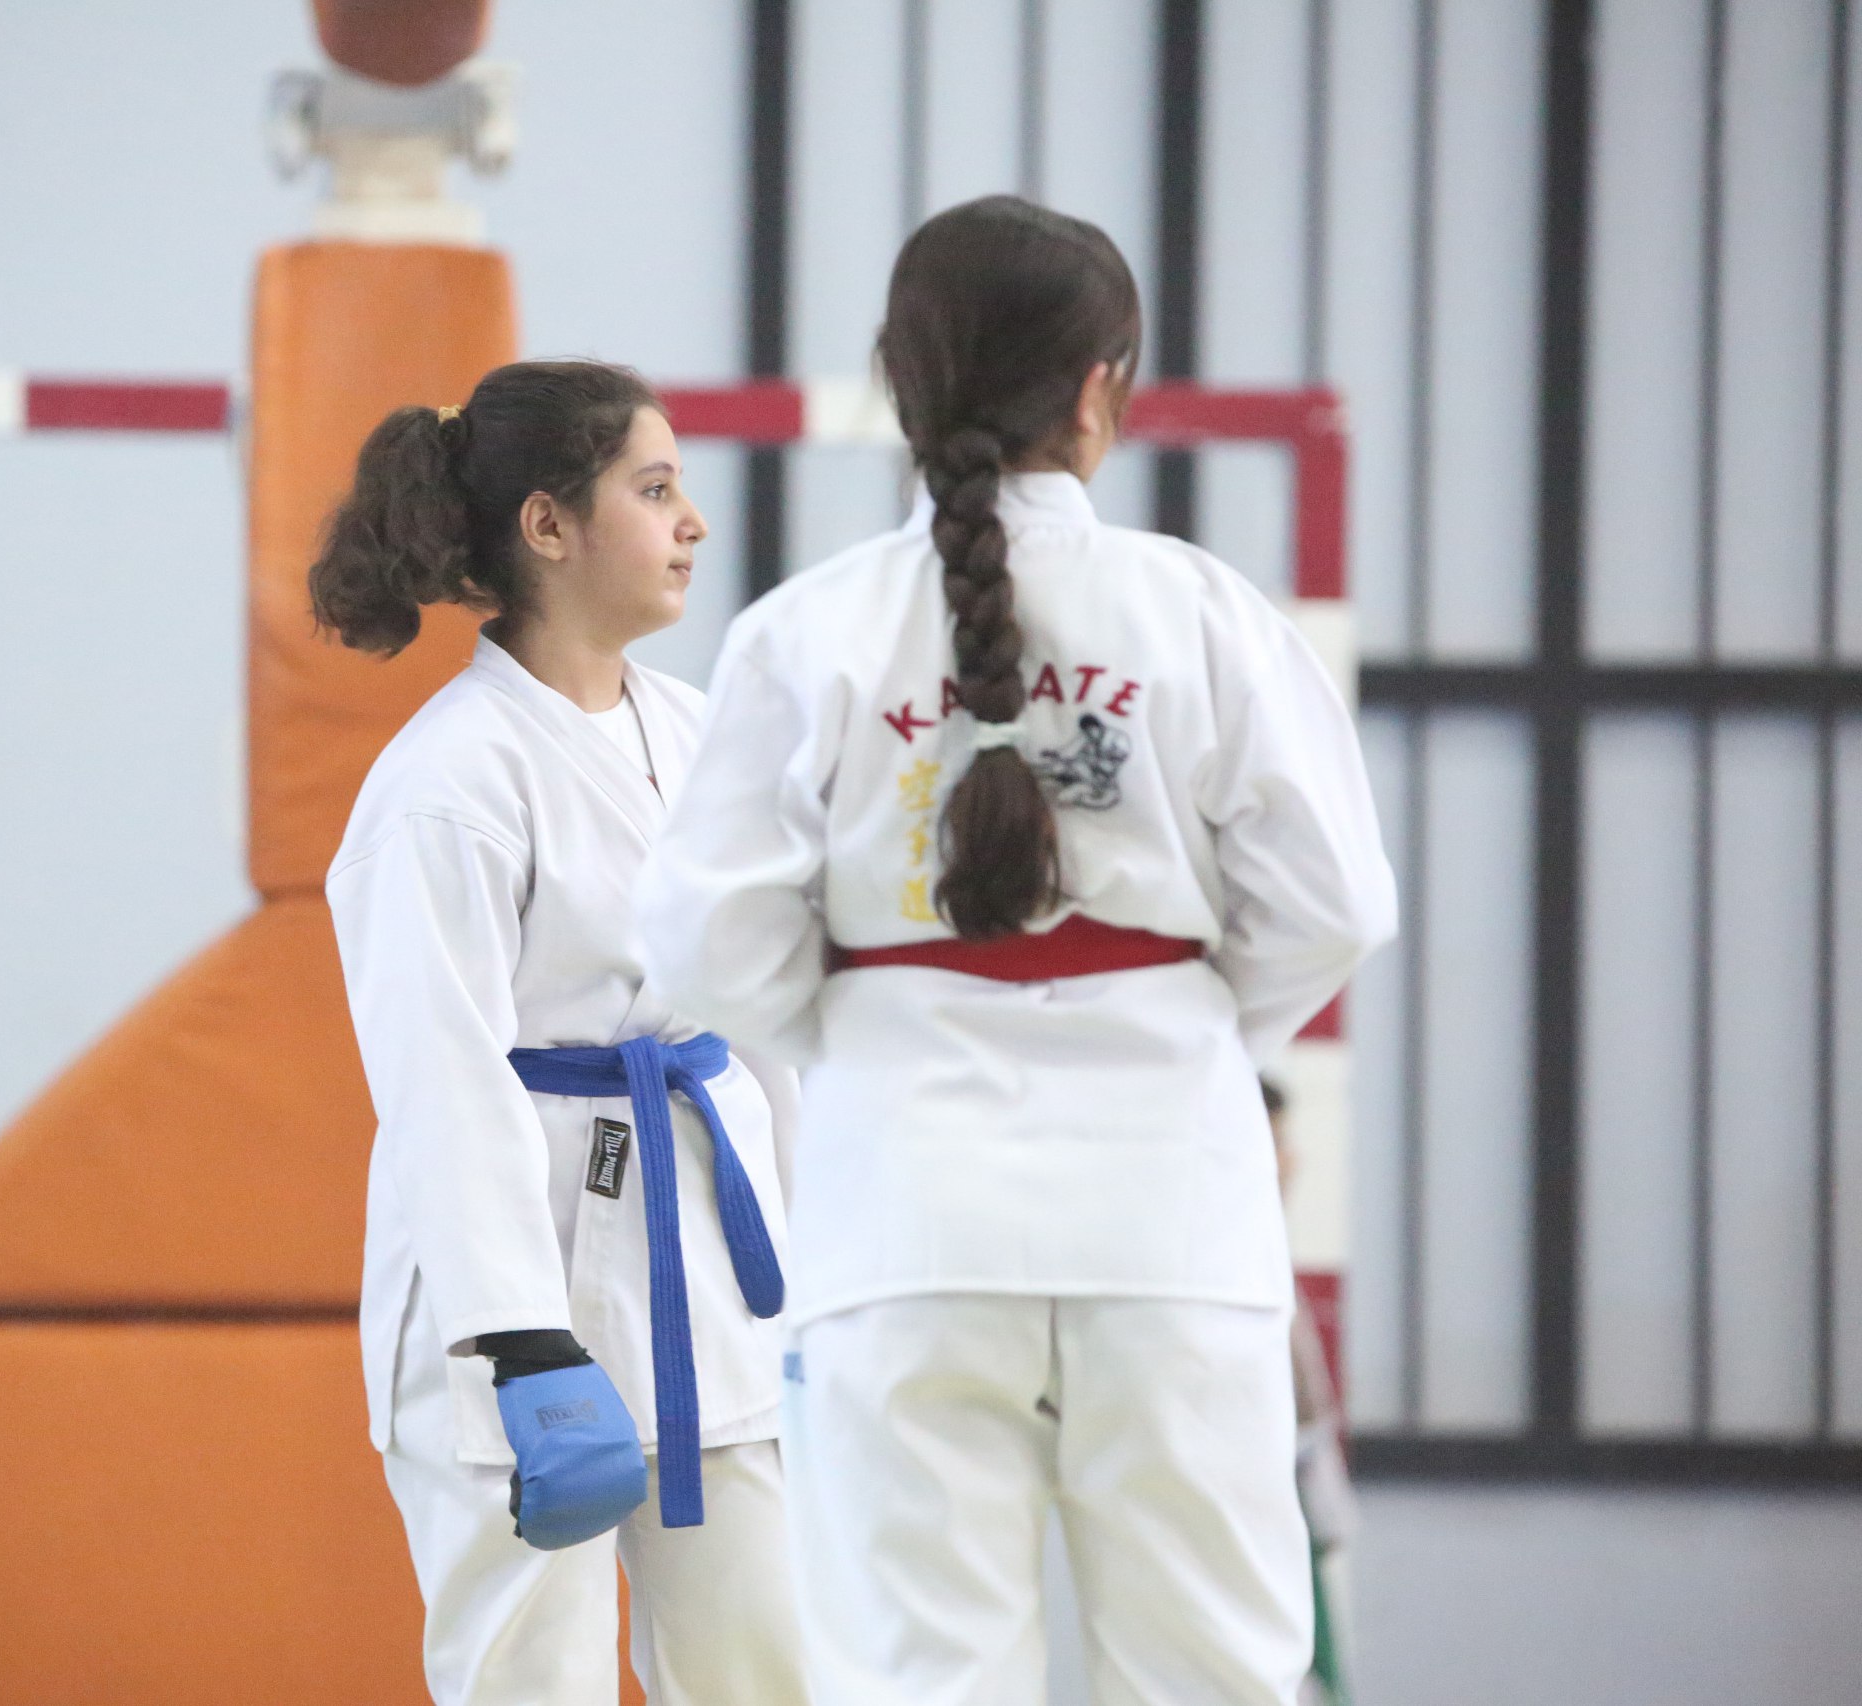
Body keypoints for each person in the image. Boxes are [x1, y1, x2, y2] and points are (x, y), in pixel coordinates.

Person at [634, 196, 1397, 1706]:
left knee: (916, 1675)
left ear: (899, 382)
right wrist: (1180, 1017)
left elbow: (708, 939)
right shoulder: (1201, 612)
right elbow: (1335, 901)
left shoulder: (806, 631)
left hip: (902, 1206)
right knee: (1213, 1675)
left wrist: (870, 1028)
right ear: (1102, 389)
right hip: (1172, 1207)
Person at [316, 360, 809, 1706]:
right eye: (653, 489)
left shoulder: (704, 738)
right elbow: (441, 1081)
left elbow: (765, 1023)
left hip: (707, 1268)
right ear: (548, 525)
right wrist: (518, 1333)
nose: (691, 521)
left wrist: (817, 1256)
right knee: (533, 1680)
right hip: (516, 1289)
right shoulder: (447, 780)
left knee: (775, 1666)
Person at [1262, 1077, 1361, 1706]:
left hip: (1302, 1494)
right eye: (1275, 1144)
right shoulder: (1226, 1270)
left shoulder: (1272, 1253)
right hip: (1259, 1501)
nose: (1290, 1162)